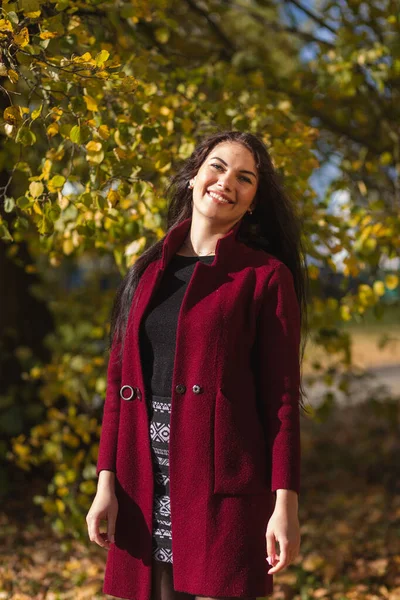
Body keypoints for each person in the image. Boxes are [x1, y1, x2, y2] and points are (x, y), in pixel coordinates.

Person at [86, 130, 309, 600]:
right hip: (142, 482)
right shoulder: (146, 271)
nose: (227, 181)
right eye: (218, 166)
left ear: (252, 202)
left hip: (218, 488)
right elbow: (118, 386)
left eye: (245, 178)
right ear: (192, 176)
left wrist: (284, 503)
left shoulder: (264, 276)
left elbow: (282, 401)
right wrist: (106, 481)